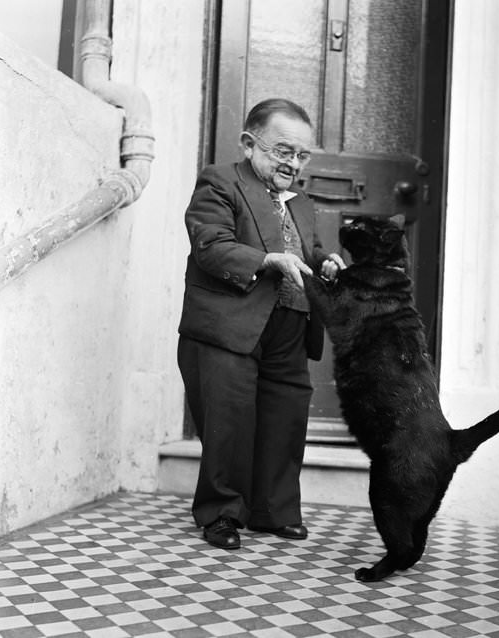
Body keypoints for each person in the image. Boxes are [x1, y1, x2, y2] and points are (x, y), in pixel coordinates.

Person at [177, 98, 345, 550]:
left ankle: (273, 512)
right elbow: (210, 245)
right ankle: (222, 514)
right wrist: (266, 260)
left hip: (289, 323)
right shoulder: (220, 181)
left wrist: (325, 261)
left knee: (284, 417)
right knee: (229, 420)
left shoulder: (303, 203)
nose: (293, 163)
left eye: (302, 155)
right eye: (282, 151)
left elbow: (307, 250)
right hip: (229, 325)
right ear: (249, 144)